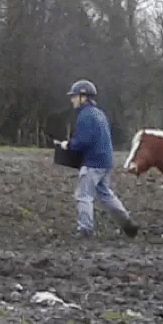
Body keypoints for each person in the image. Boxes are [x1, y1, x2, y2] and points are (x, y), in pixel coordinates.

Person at [60, 79, 139, 238]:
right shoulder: (99, 113)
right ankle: (127, 224)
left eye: (74, 96)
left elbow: (83, 141)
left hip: (92, 163)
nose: (72, 99)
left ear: (84, 97)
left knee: (83, 195)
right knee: (106, 194)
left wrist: (67, 145)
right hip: (105, 161)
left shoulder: (85, 115)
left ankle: (85, 229)